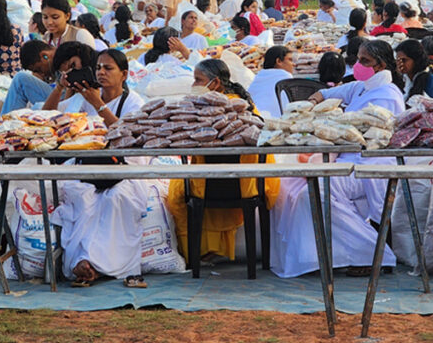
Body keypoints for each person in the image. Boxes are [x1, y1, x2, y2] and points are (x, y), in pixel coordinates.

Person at [273, 40, 403, 278]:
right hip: (346, 159)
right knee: (291, 187)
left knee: (314, 193)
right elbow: (326, 92)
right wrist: (311, 104)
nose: (358, 65)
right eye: (357, 60)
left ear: (381, 65)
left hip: (368, 164)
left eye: (365, 61)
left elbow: (374, 140)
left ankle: (373, 254)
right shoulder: (361, 87)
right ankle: (318, 256)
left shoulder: (387, 97)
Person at [167, 59, 280, 264]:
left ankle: (195, 252)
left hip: (218, 183)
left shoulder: (210, 108)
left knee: (175, 192)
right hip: (248, 183)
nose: (194, 85)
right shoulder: (243, 104)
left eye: (198, 80)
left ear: (216, 83)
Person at [1, 40, 55, 114]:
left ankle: (7, 120)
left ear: (44, 56)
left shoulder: (62, 59)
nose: (42, 74)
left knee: (21, 78)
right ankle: (8, 119)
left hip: (64, 100)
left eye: (39, 69)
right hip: (58, 96)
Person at [247, 46, 295, 118]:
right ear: (278, 61)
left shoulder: (258, 76)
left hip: (256, 118)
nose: (293, 64)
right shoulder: (285, 76)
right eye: (290, 60)